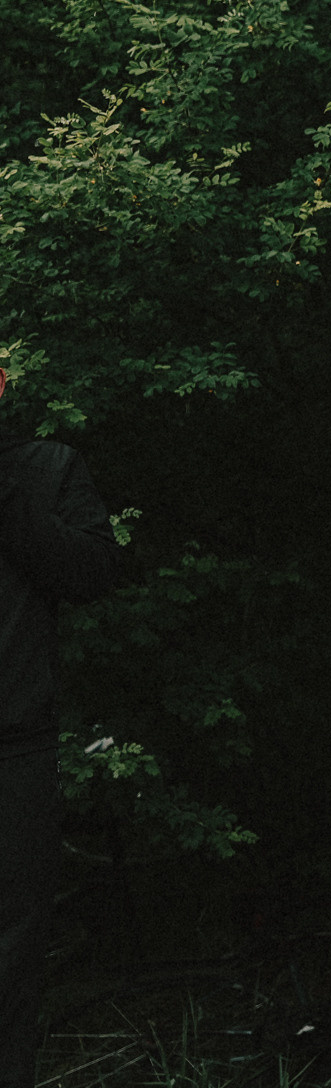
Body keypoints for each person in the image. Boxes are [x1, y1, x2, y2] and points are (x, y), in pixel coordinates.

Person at [1, 367, 126, 1088]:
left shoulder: (48, 468)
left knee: (13, 957)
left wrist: (9, 499)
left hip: (16, 752)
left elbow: (94, 573)